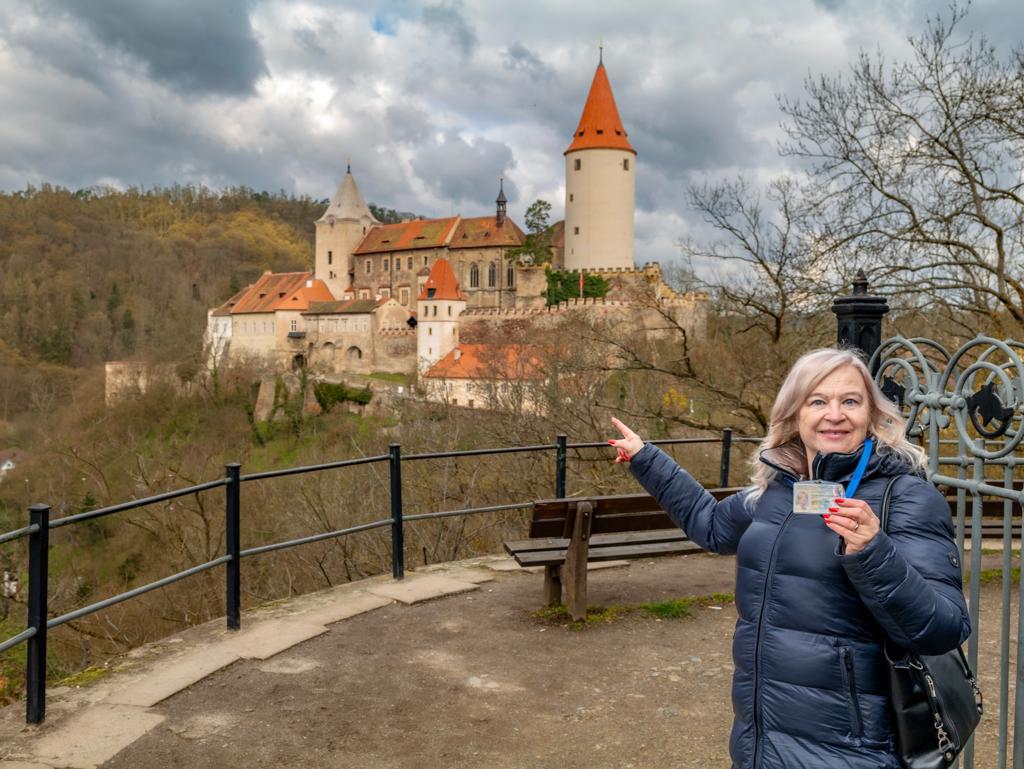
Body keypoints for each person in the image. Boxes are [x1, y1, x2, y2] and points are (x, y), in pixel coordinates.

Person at [608, 348, 969, 769]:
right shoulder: (780, 488)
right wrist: (645, 457)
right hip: (760, 740)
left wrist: (872, 552)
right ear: (795, 413)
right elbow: (710, 525)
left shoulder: (905, 496)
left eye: (850, 401)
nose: (835, 414)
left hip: (851, 749)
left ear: (871, 413)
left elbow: (944, 629)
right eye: (818, 401)